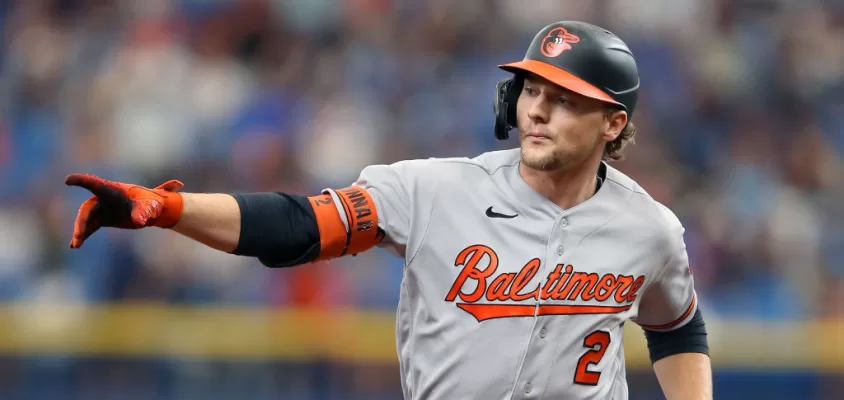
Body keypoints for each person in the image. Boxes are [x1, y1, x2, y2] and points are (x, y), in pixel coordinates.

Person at [66, 21, 712, 400]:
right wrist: (169, 208)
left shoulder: (647, 229)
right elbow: (297, 227)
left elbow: (677, 327)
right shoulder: (430, 191)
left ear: (612, 123)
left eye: (567, 99)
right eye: (532, 90)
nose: (538, 110)